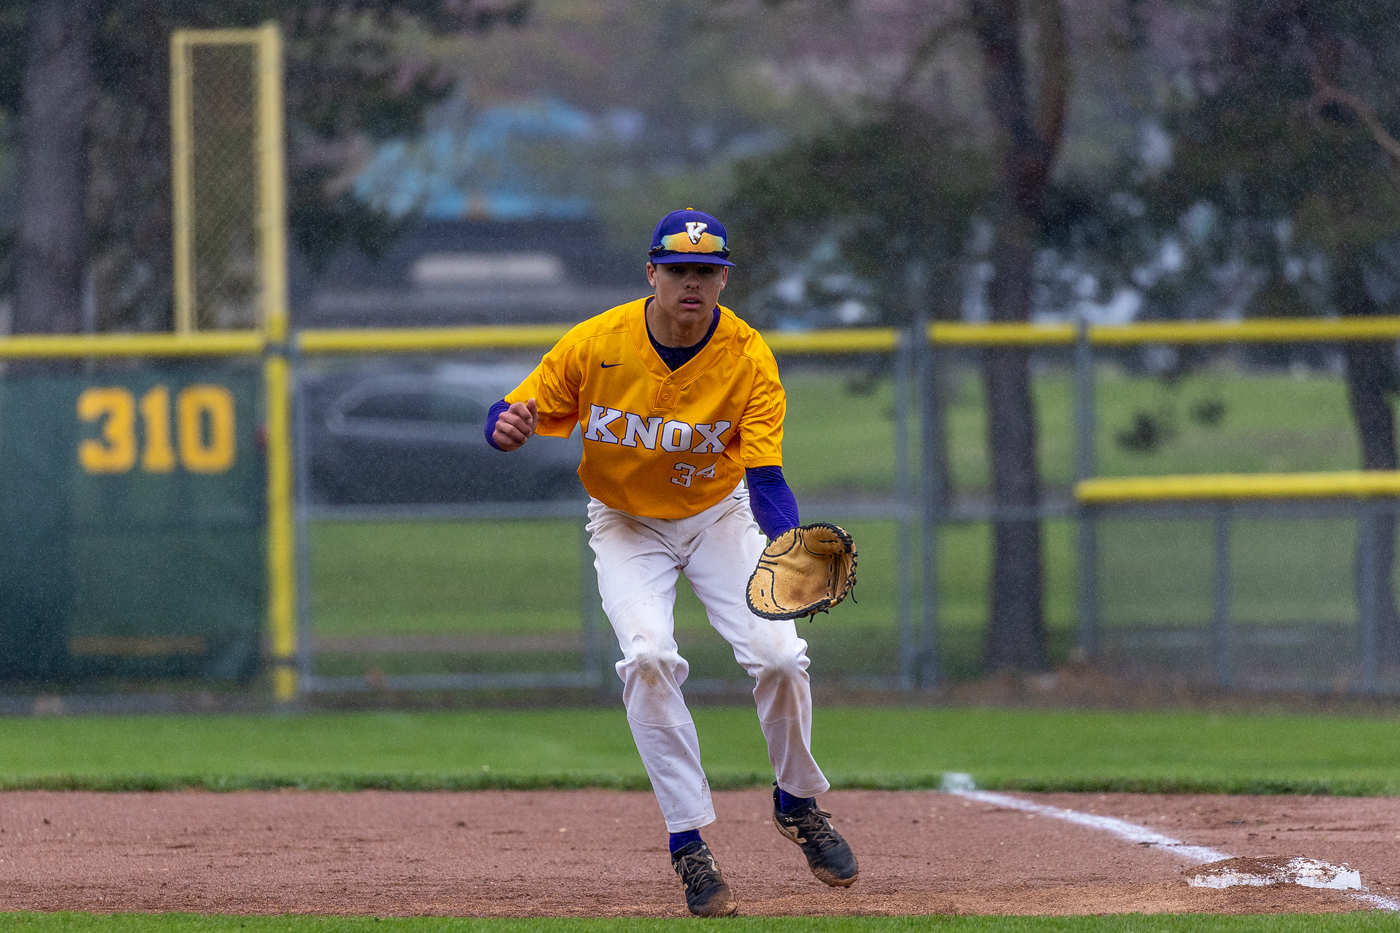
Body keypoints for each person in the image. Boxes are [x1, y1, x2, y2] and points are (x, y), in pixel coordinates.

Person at [485, 208, 858, 917]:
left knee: (780, 655)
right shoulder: (597, 343)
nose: (693, 282)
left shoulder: (748, 356)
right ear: (651, 273)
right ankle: (689, 841)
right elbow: (514, 411)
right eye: (679, 269)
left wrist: (785, 544)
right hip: (625, 522)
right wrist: (503, 427)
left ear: (722, 279)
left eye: (707, 271)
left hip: (717, 515)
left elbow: (767, 478)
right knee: (649, 655)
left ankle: (798, 802)